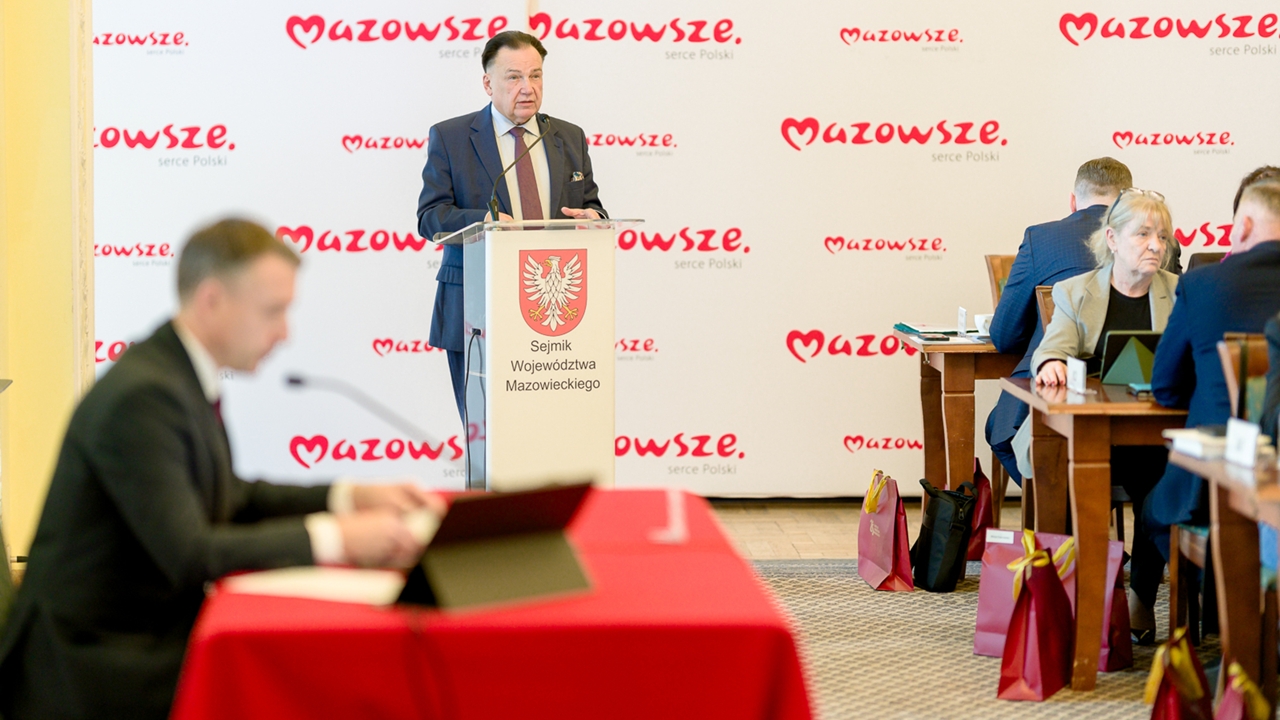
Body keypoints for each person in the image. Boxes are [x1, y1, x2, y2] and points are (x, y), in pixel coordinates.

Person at [0, 219, 443, 719]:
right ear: (212, 300)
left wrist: (347, 497)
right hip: (94, 666)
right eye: (272, 311)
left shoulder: (175, 374)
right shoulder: (143, 396)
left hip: (137, 638)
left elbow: (231, 495)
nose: (284, 333)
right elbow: (190, 554)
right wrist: (337, 540)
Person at [1012, 189, 1178, 643]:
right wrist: (1051, 363)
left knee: (1166, 483)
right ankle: (1072, 592)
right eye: (1143, 234)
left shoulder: (1179, 292)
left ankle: (1140, 594)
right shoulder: (1075, 291)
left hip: (1154, 435)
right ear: (1112, 239)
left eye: (1162, 237)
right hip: (1086, 434)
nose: (1155, 246)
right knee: (1068, 478)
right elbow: (1052, 347)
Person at [418, 31, 608, 421]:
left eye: (535, 76)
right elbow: (430, 216)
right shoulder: (452, 138)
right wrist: (483, 222)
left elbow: (591, 206)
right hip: (476, 310)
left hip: (555, 314)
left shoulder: (568, 137)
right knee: (485, 430)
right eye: (514, 77)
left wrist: (595, 220)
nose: (527, 88)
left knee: (550, 429)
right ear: (488, 84)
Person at [1145, 180, 1280, 560]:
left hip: (1213, 481)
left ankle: (1178, 593)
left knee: (1152, 509)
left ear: (1245, 225)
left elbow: (1165, 386)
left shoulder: (1201, 283)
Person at [986, 158, 1133, 486]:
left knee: (1001, 430)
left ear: (1073, 200)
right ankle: (1091, 503)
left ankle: (1058, 508)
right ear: (1129, 199)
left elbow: (1004, 335)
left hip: (1053, 385)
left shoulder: (1041, 238)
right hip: (1135, 393)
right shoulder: (1159, 242)